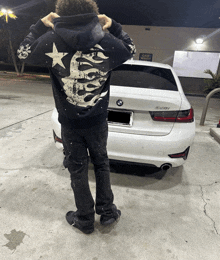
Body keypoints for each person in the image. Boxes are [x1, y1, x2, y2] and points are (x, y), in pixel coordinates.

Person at [17, 0, 136, 234]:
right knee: (101, 163)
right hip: (98, 121)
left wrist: (39, 26)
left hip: (70, 123)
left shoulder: (50, 41)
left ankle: (84, 219)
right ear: (94, 14)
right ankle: (108, 213)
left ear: (60, 14)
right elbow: (131, 48)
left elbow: (22, 53)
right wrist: (114, 27)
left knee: (77, 168)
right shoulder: (107, 41)